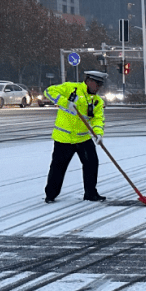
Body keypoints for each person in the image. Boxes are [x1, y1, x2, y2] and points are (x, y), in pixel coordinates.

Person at [43, 69, 108, 203]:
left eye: (101, 85)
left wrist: (98, 133)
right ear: (89, 82)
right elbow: (48, 91)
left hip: (83, 138)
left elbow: (97, 119)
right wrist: (65, 102)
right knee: (58, 167)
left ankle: (90, 193)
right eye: (98, 84)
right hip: (64, 139)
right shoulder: (71, 88)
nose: (99, 88)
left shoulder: (97, 101)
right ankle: (51, 194)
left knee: (92, 164)